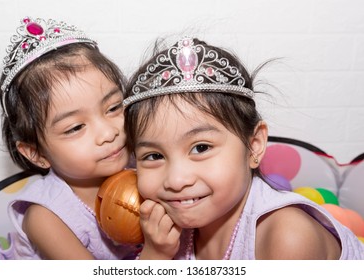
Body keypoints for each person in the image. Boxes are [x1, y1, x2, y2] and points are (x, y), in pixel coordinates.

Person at [123, 37, 364, 259]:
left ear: (254, 146)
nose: (176, 180)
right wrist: (156, 255)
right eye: (154, 155)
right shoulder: (163, 228)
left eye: (200, 148)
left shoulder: (288, 236)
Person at [0, 16, 137, 259]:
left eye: (113, 107)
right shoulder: (46, 217)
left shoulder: (142, 163)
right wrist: (158, 252)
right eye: (75, 128)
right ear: (37, 153)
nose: (108, 132)